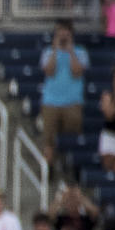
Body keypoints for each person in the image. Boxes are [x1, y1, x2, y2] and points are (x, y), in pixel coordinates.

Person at [38, 21, 89, 166]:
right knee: (49, 139)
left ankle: (70, 166)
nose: (63, 35)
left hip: (72, 102)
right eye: (60, 32)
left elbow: (77, 72)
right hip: (50, 102)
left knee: (72, 137)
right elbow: (49, 71)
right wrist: (55, 50)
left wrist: (71, 51)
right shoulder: (48, 52)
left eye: (66, 32)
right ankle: (50, 168)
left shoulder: (81, 52)